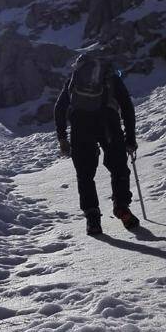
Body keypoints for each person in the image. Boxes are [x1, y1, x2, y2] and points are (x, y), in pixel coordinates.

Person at [54, 49, 139, 236]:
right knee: (118, 169)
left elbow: (59, 108)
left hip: (81, 127)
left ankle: (92, 219)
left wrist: (62, 136)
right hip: (109, 125)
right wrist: (130, 136)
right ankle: (122, 207)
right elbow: (126, 106)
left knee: (85, 175)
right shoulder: (111, 78)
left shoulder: (74, 80)